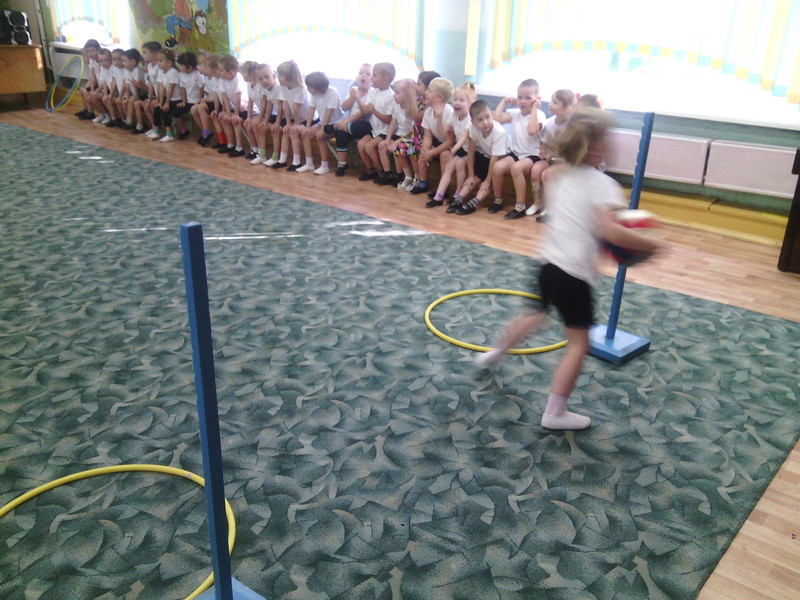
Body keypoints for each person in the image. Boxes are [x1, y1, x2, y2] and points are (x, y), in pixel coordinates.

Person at [474, 108, 664, 430]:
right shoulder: (603, 185)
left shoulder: (557, 174)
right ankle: (555, 413)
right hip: (574, 276)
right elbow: (610, 232)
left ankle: (494, 354)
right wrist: (651, 244)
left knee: (534, 314)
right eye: (608, 138)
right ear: (597, 146)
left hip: (548, 265)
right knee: (579, 344)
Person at [487, 79, 547, 219]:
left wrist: (534, 109)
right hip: (516, 153)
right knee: (497, 167)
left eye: (528, 98)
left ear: (537, 99)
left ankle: (520, 206)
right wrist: (503, 102)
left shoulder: (539, 115)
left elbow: (532, 130)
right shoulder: (515, 113)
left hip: (532, 155)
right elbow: (497, 119)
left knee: (516, 168)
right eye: (520, 97)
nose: (522, 101)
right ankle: (498, 200)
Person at [446, 99, 509, 215]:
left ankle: (474, 202)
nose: (485, 122)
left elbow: (495, 158)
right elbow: (471, 152)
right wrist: (470, 175)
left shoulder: (499, 132)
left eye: (488, 117)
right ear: (473, 122)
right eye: (480, 120)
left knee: (485, 183)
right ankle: (459, 198)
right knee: (473, 178)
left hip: (501, 157)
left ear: (492, 115)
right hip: (486, 155)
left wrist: (487, 181)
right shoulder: (472, 127)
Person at [425, 82, 477, 207]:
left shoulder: (470, 119)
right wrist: (439, 118)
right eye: (455, 99)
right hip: (461, 149)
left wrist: (453, 150)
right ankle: (439, 196)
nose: (456, 103)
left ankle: (457, 195)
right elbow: (442, 132)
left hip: (472, 151)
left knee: (459, 164)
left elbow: (464, 138)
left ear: (470, 104)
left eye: (461, 100)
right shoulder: (454, 115)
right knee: (449, 166)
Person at [528, 89, 576, 220]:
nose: (550, 104)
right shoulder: (549, 123)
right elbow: (544, 143)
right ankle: (537, 202)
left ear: (567, 107)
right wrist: (543, 151)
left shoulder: (573, 125)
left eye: (555, 102)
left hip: (567, 161)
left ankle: (551, 208)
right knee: (536, 170)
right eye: (551, 101)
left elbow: (572, 150)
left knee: (547, 175)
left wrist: (554, 153)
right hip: (552, 159)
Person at [409, 77, 456, 195]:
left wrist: (432, 153)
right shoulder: (428, 112)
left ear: (440, 97)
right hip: (437, 141)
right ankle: (422, 183)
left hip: (451, 145)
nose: (426, 93)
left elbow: (450, 141)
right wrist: (425, 150)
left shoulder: (449, 112)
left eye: (429, 91)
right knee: (422, 150)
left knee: (444, 155)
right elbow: (428, 136)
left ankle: (443, 189)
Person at [355, 62, 396, 182]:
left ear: (386, 79)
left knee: (369, 146)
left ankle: (381, 171)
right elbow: (366, 109)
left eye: (374, 75)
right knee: (361, 144)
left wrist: (373, 111)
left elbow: (389, 120)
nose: (372, 78)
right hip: (374, 129)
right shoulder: (374, 92)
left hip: (385, 131)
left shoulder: (391, 96)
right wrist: (358, 99)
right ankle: (370, 169)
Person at [296, 71, 342, 173]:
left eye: (310, 87)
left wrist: (322, 129)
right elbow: (311, 109)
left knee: (320, 136)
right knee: (306, 134)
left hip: (336, 124)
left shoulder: (332, 92)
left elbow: (329, 112)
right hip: (324, 122)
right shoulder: (314, 94)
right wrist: (307, 127)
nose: (307, 89)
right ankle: (309, 164)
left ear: (318, 87)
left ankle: (325, 165)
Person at [332, 63, 373, 176]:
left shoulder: (372, 93)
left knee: (355, 124)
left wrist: (358, 98)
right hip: (350, 126)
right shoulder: (353, 89)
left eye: (368, 74)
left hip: (366, 126)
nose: (363, 75)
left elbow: (364, 113)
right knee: (340, 133)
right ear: (356, 78)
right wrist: (352, 96)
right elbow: (345, 107)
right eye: (361, 73)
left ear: (372, 80)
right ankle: (342, 164)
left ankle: (335, 127)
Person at [270, 60, 309, 169]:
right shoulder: (283, 87)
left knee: (293, 132)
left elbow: (296, 108)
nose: (278, 77)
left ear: (289, 77)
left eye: (280, 75)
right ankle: (282, 159)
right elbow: (285, 105)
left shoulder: (300, 88)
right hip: (294, 119)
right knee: (286, 130)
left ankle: (296, 161)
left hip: (305, 119)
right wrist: (288, 123)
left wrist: (296, 124)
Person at [376, 78, 416, 185]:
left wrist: (398, 141)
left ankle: (399, 175)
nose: (394, 95)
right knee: (382, 145)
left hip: (407, 136)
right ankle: (388, 173)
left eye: (397, 92)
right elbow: (393, 123)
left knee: (395, 148)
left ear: (407, 95)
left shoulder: (413, 109)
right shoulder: (396, 105)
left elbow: (412, 131)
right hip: (397, 134)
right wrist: (388, 139)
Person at [216, 55, 250, 157]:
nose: (218, 72)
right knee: (224, 118)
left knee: (236, 121)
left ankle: (239, 148)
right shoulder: (222, 79)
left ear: (231, 73)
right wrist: (227, 112)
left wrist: (235, 114)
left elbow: (238, 98)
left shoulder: (238, 79)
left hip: (245, 108)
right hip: (234, 107)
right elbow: (225, 97)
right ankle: (230, 144)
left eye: (221, 70)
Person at [167, 50, 203, 141]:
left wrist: (200, 100)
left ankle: (204, 131)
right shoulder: (181, 74)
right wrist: (183, 101)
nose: (179, 67)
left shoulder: (198, 75)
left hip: (198, 101)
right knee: (175, 112)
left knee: (198, 113)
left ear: (189, 67)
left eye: (181, 65)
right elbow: (182, 88)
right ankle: (184, 130)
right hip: (188, 101)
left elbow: (201, 89)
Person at [148, 49, 181, 140]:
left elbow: (170, 89)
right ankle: (156, 131)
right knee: (157, 108)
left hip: (176, 99)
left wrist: (166, 103)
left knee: (163, 110)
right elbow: (161, 87)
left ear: (169, 63)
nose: (158, 63)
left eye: (161, 60)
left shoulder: (173, 72)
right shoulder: (161, 71)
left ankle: (169, 134)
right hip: (168, 98)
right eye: (158, 60)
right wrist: (160, 101)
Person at [250, 64, 280, 165]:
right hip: (275, 115)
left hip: (284, 116)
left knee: (275, 130)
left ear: (274, 76)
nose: (264, 81)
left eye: (267, 77)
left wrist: (277, 123)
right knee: (261, 127)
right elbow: (268, 105)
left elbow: (282, 108)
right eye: (261, 79)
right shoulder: (265, 88)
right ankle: (262, 155)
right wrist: (265, 120)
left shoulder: (278, 88)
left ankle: (275, 157)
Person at [132, 41, 163, 136]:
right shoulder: (150, 66)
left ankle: (158, 130)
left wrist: (158, 99)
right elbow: (150, 84)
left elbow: (161, 85)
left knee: (152, 106)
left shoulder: (159, 67)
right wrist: (150, 98)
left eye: (145, 52)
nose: (143, 55)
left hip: (163, 95)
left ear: (153, 54)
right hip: (155, 95)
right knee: (146, 105)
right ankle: (154, 127)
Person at [190, 53, 220, 146]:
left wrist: (206, 100)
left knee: (201, 107)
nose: (197, 67)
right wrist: (204, 99)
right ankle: (204, 131)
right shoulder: (207, 78)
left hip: (218, 103)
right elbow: (209, 94)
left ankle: (207, 132)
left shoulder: (216, 79)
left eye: (200, 64)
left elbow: (217, 96)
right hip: (212, 101)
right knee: (194, 109)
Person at [119, 48, 144, 130]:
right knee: (126, 101)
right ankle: (131, 121)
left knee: (132, 100)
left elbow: (137, 86)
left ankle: (130, 121)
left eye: (124, 61)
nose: (122, 63)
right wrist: (127, 97)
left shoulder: (137, 70)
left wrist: (135, 96)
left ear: (133, 62)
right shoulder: (127, 70)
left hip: (142, 94)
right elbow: (127, 85)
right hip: (134, 94)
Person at [75, 39, 101, 120]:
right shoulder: (92, 61)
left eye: (93, 50)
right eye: (88, 51)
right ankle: (86, 110)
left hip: (103, 85)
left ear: (98, 49)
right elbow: (92, 76)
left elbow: (98, 78)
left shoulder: (101, 61)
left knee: (86, 91)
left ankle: (90, 112)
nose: (90, 53)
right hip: (98, 83)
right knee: (84, 90)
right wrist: (90, 89)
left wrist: (91, 90)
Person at [103, 48, 127, 128]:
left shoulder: (125, 69)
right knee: (109, 100)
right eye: (114, 59)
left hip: (126, 94)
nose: (116, 62)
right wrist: (110, 94)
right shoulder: (115, 68)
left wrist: (120, 96)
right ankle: (117, 119)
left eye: (119, 59)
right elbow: (114, 82)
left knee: (120, 102)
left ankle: (126, 120)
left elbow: (124, 85)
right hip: (120, 94)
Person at [90, 48, 114, 124]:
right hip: (108, 91)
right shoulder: (102, 68)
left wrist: (108, 95)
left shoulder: (113, 68)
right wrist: (103, 93)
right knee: (92, 97)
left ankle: (114, 118)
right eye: (101, 61)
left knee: (105, 99)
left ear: (111, 59)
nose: (104, 63)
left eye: (106, 60)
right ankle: (105, 115)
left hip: (114, 92)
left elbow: (114, 83)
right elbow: (104, 82)